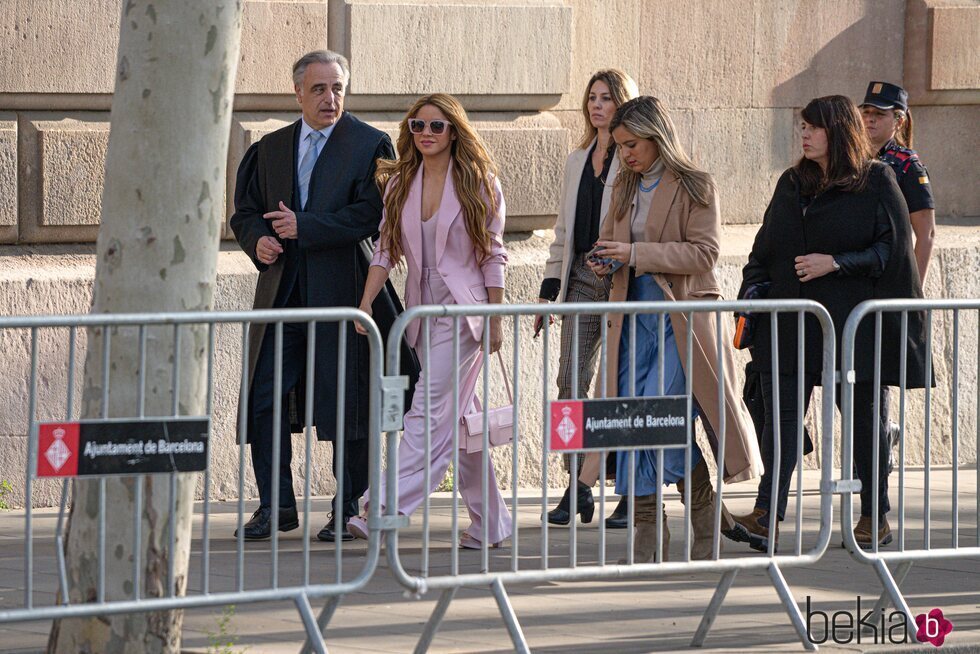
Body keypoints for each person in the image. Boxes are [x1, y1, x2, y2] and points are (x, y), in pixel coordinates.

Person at [730, 95, 928, 552]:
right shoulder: (791, 182)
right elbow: (764, 250)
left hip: (851, 328)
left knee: (864, 423)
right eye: (802, 126)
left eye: (813, 127)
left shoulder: (877, 181)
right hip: (792, 325)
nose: (803, 134)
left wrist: (835, 263)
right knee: (779, 420)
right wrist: (752, 293)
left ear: (836, 132)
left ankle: (873, 516)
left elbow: (892, 252)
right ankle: (767, 515)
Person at [230, 50, 395, 542]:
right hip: (282, 292)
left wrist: (308, 226)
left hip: (343, 292)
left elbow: (370, 216)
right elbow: (244, 212)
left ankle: (349, 507)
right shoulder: (271, 148)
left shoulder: (370, 145)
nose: (330, 98)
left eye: (338, 87)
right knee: (265, 397)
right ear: (298, 93)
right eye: (319, 89)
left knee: (347, 399)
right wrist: (255, 238)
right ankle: (276, 505)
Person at [590, 96, 761, 561]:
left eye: (633, 144)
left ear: (657, 136)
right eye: (620, 145)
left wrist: (636, 255)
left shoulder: (696, 184)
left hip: (679, 319)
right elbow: (614, 242)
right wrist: (606, 259)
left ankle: (700, 514)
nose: (626, 154)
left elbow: (704, 254)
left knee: (659, 417)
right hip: (631, 317)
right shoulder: (624, 187)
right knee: (634, 419)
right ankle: (652, 525)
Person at [347, 94, 513, 549]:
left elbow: (492, 252)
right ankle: (492, 524)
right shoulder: (401, 181)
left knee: (427, 412)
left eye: (436, 127)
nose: (425, 134)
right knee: (461, 423)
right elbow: (385, 248)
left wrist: (495, 317)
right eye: (418, 126)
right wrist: (365, 303)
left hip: (465, 313)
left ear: (454, 131)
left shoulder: (479, 181)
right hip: (422, 310)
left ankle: (382, 507)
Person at [539, 69, 638, 529]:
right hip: (579, 277)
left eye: (608, 98)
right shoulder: (578, 159)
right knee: (569, 384)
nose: (598, 106)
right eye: (592, 98)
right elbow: (563, 230)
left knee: (618, 390)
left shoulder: (635, 158)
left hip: (624, 282)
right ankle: (576, 483)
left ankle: (631, 490)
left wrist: (621, 261)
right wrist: (547, 290)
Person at [859, 81, 936, 474]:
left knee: (877, 373)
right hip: (858, 280)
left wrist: (912, 290)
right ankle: (879, 433)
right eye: (866, 114)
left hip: (891, 284)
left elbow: (925, 233)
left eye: (879, 115)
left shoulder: (906, 164)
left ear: (898, 120)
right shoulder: (853, 158)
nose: (869, 121)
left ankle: (879, 441)